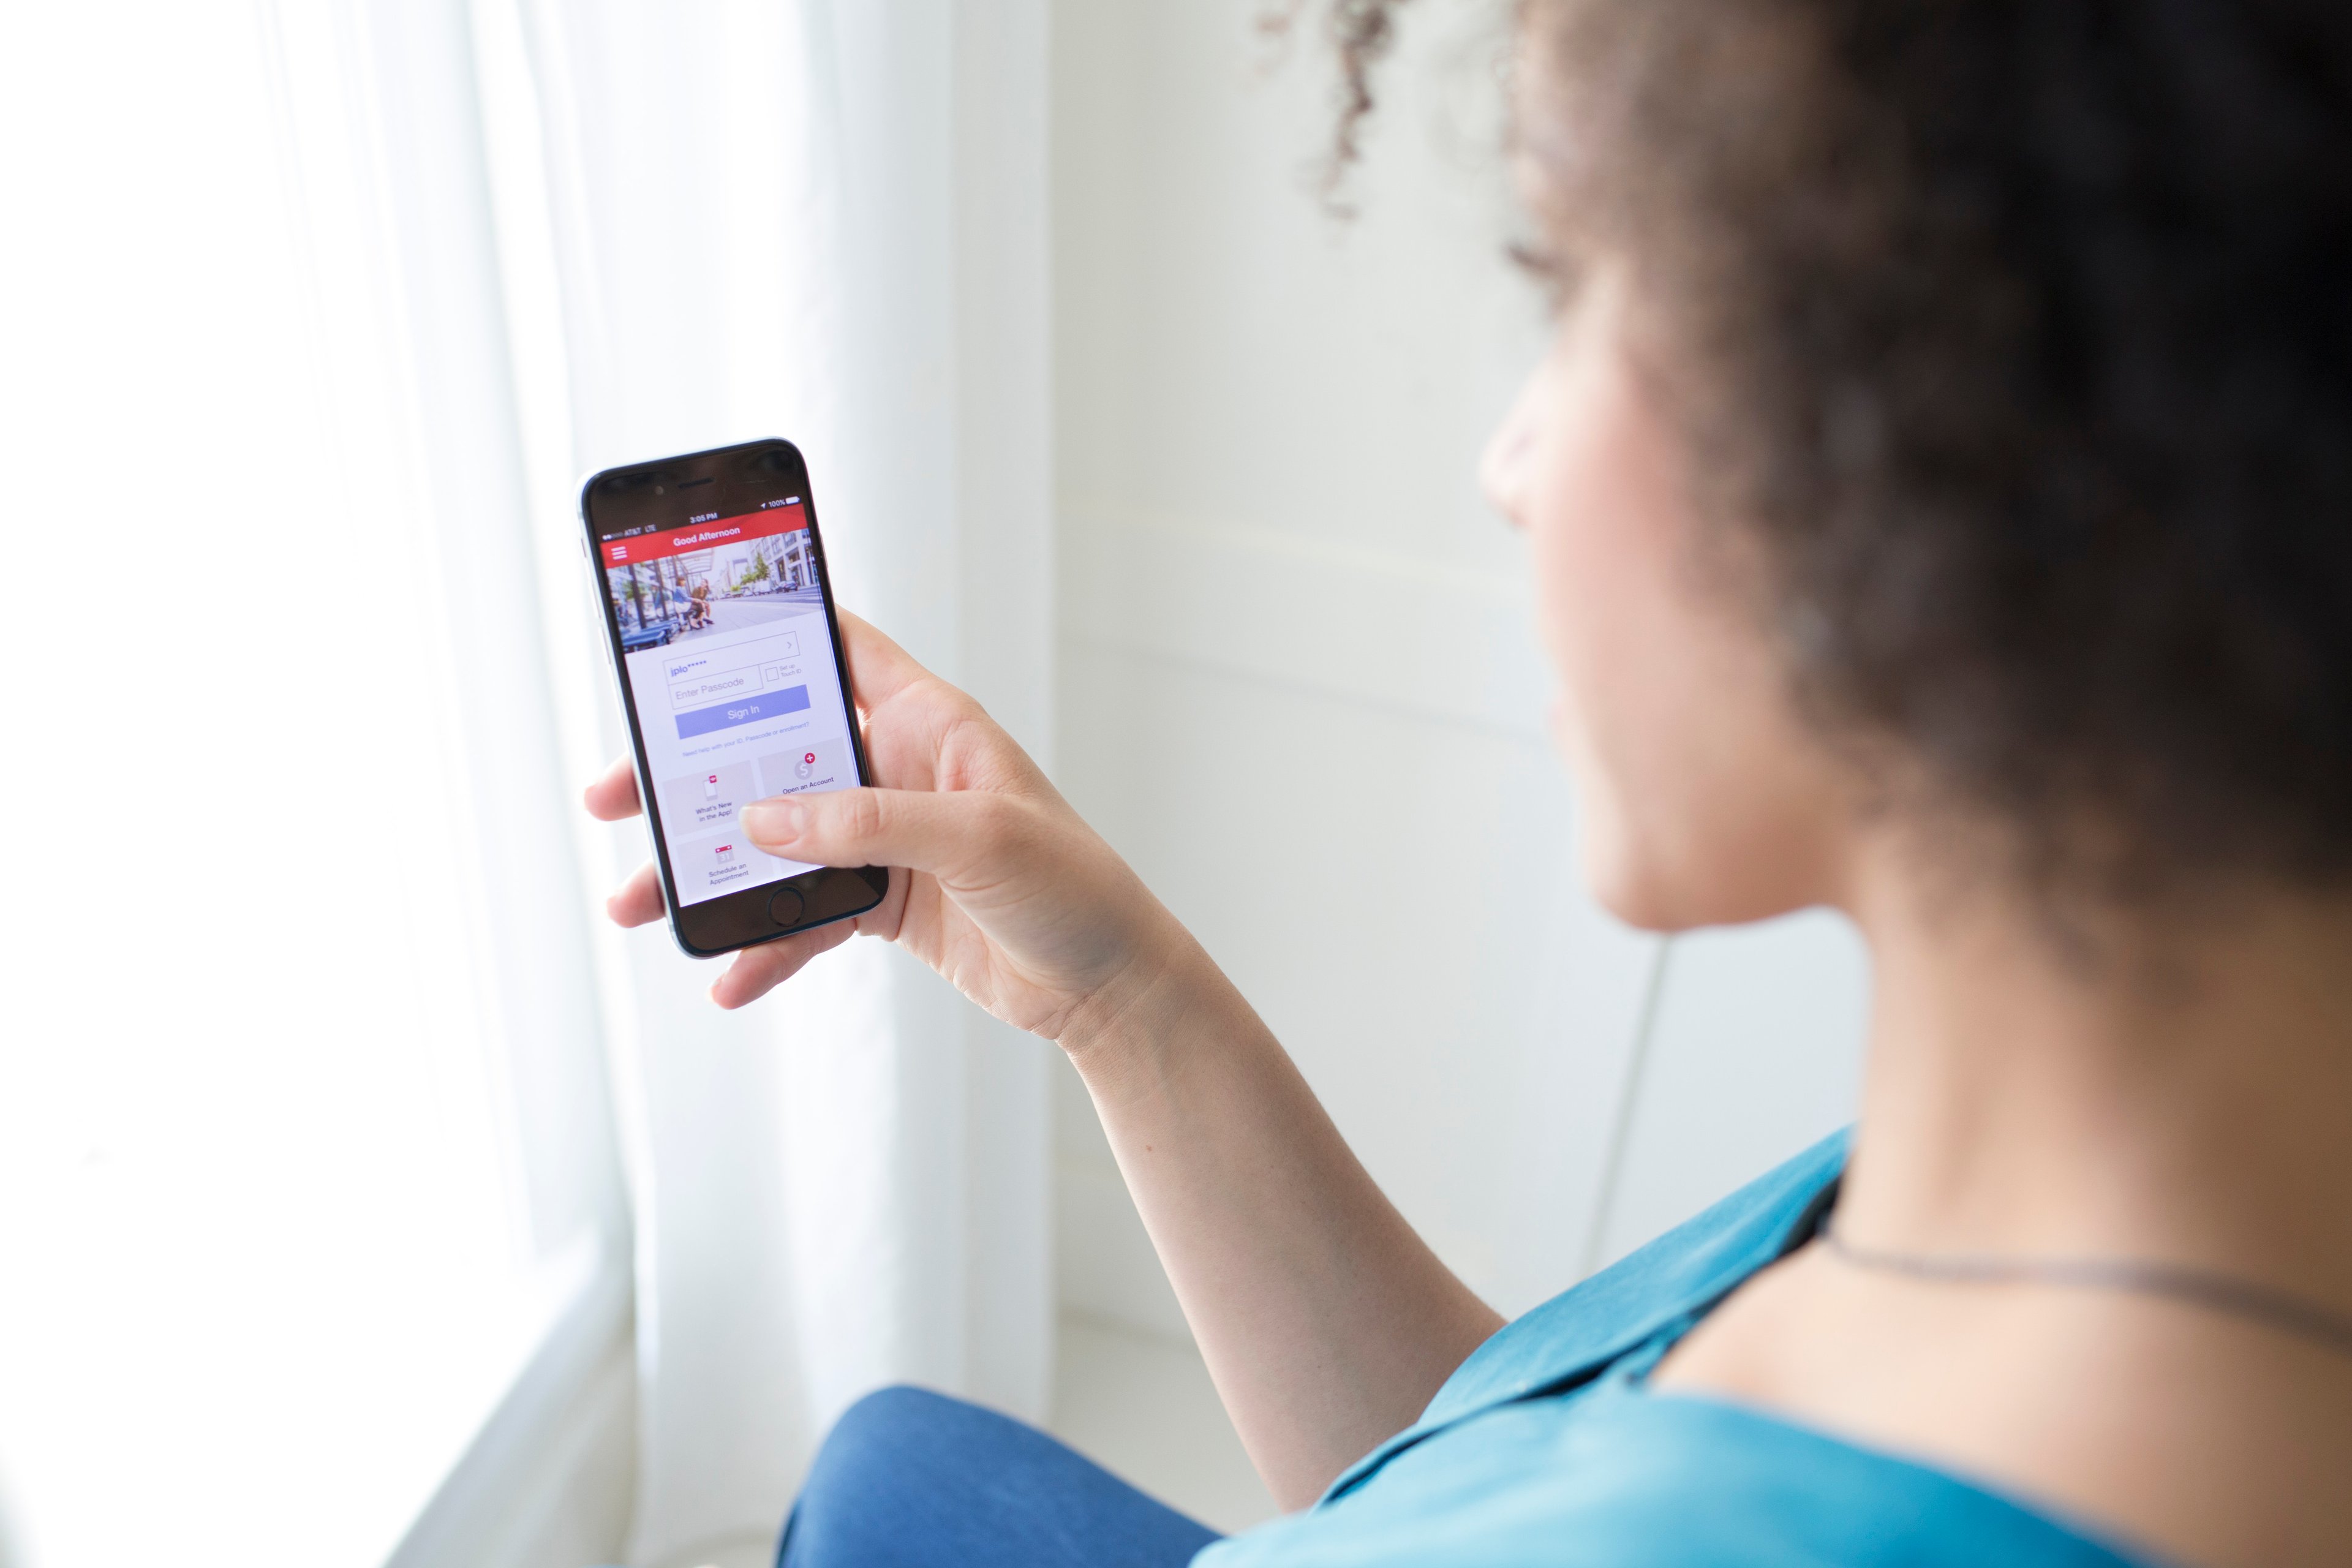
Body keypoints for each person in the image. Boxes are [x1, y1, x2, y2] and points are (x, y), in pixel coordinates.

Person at [583, 2, 2352, 1564]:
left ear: (1944, 405)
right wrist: (1120, 998)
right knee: (893, 1470)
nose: (1512, 458)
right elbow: (1465, 1478)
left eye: (1565, 281)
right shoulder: (2121, 1194)